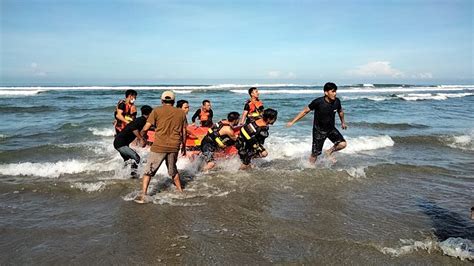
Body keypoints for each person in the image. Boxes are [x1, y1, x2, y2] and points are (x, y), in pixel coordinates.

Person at [134, 91, 187, 204]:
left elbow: (146, 127)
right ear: (173, 101)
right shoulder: (181, 113)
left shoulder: (156, 111)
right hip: (174, 146)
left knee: (148, 171)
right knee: (173, 170)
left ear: (162, 101)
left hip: (159, 146)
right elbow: (184, 131)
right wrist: (184, 146)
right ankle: (181, 192)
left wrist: (142, 138)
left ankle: (144, 195)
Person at [287, 82, 347, 163]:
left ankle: (329, 152)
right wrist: (292, 121)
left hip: (331, 129)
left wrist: (343, 122)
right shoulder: (318, 102)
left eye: (335, 91)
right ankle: (309, 167)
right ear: (326, 92)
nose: (335, 94)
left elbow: (340, 112)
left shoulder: (337, 101)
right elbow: (305, 111)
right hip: (319, 131)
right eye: (332, 91)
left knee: (342, 144)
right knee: (315, 154)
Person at [113, 105, 153, 178]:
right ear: (150, 113)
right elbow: (133, 128)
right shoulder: (141, 120)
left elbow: (141, 130)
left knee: (128, 161)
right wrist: (140, 138)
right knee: (136, 158)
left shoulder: (141, 120)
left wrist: (144, 138)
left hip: (120, 143)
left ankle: (120, 176)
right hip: (120, 143)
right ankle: (134, 176)